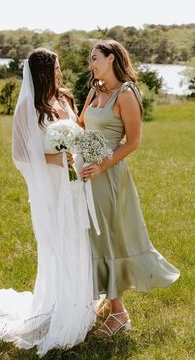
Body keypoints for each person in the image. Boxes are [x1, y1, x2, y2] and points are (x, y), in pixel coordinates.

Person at [0, 48, 98, 357]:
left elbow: (79, 130)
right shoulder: (29, 108)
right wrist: (56, 157)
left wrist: (80, 150)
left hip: (74, 185)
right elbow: (20, 154)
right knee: (56, 243)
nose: (60, 71)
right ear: (43, 71)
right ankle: (58, 307)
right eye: (57, 66)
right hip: (50, 188)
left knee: (77, 239)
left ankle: (79, 302)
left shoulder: (64, 98)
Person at [79, 40, 180, 336]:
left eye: (95, 58)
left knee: (108, 236)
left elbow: (133, 142)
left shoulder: (126, 93)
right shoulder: (95, 89)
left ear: (111, 59)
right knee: (94, 235)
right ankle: (111, 300)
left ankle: (120, 313)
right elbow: (82, 122)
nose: (91, 63)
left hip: (108, 175)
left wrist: (101, 164)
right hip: (87, 172)